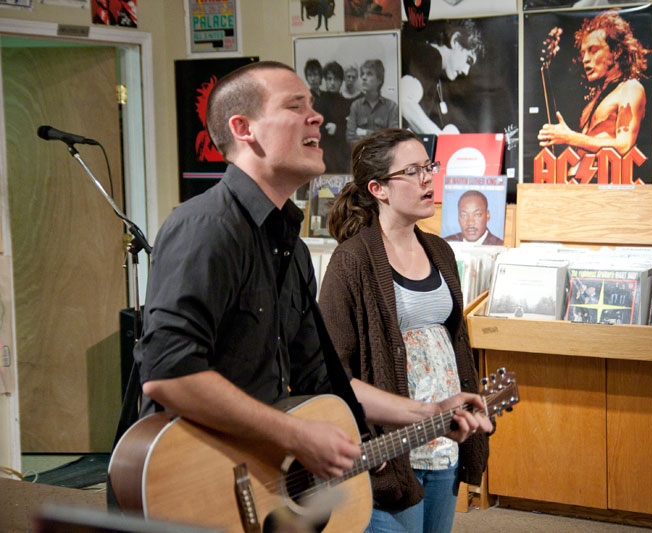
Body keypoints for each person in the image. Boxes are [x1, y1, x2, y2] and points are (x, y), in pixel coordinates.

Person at [133, 62, 490, 507]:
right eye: (294, 105)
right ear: (243, 129)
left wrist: (430, 413)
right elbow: (169, 375)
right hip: (193, 486)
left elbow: (320, 378)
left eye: (314, 106)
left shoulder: (292, 247)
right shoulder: (205, 227)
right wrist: (297, 435)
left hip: (261, 480)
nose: (317, 116)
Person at [318, 128, 490, 533]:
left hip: (443, 441)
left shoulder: (441, 251)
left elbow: (454, 344)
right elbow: (331, 371)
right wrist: (361, 437)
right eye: (412, 171)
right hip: (389, 450)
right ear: (378, 188)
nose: (428, 179)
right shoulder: (351, 261)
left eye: (429, 167)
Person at [537, 10, 649, 166]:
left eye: (593, 50)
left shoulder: (630, 88)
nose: (585, 60)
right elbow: (587, 147)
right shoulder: (594, 100)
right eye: (583, 53)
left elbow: (625, 147)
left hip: (607, 186)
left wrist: (570, 137)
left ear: (615, 51)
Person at [401, 18, 485, 135]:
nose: (466, 71)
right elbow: (404, 101)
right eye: (468, 60)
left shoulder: (433, 66)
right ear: (455, 41)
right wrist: (441, 140)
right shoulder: (432, 56)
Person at [345, 59, 399, 147]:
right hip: (361, 157)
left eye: (369, 74)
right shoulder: (356, 106)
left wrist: (364, 133)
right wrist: (379, 136)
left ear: (379, 80)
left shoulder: (392, 107)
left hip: (383, 158)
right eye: (363, 74)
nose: (364, 78)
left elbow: (393, 140)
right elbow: (350, 138)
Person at [318, 61, 352, 173]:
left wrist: (337, 129)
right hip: (323, 153)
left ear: (341, 81)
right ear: (325, 81)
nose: (332, 83)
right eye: (329, 79)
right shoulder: (318, 102)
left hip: (341, 153)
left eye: (336, 79)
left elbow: (350, 128)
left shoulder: (346, 104)